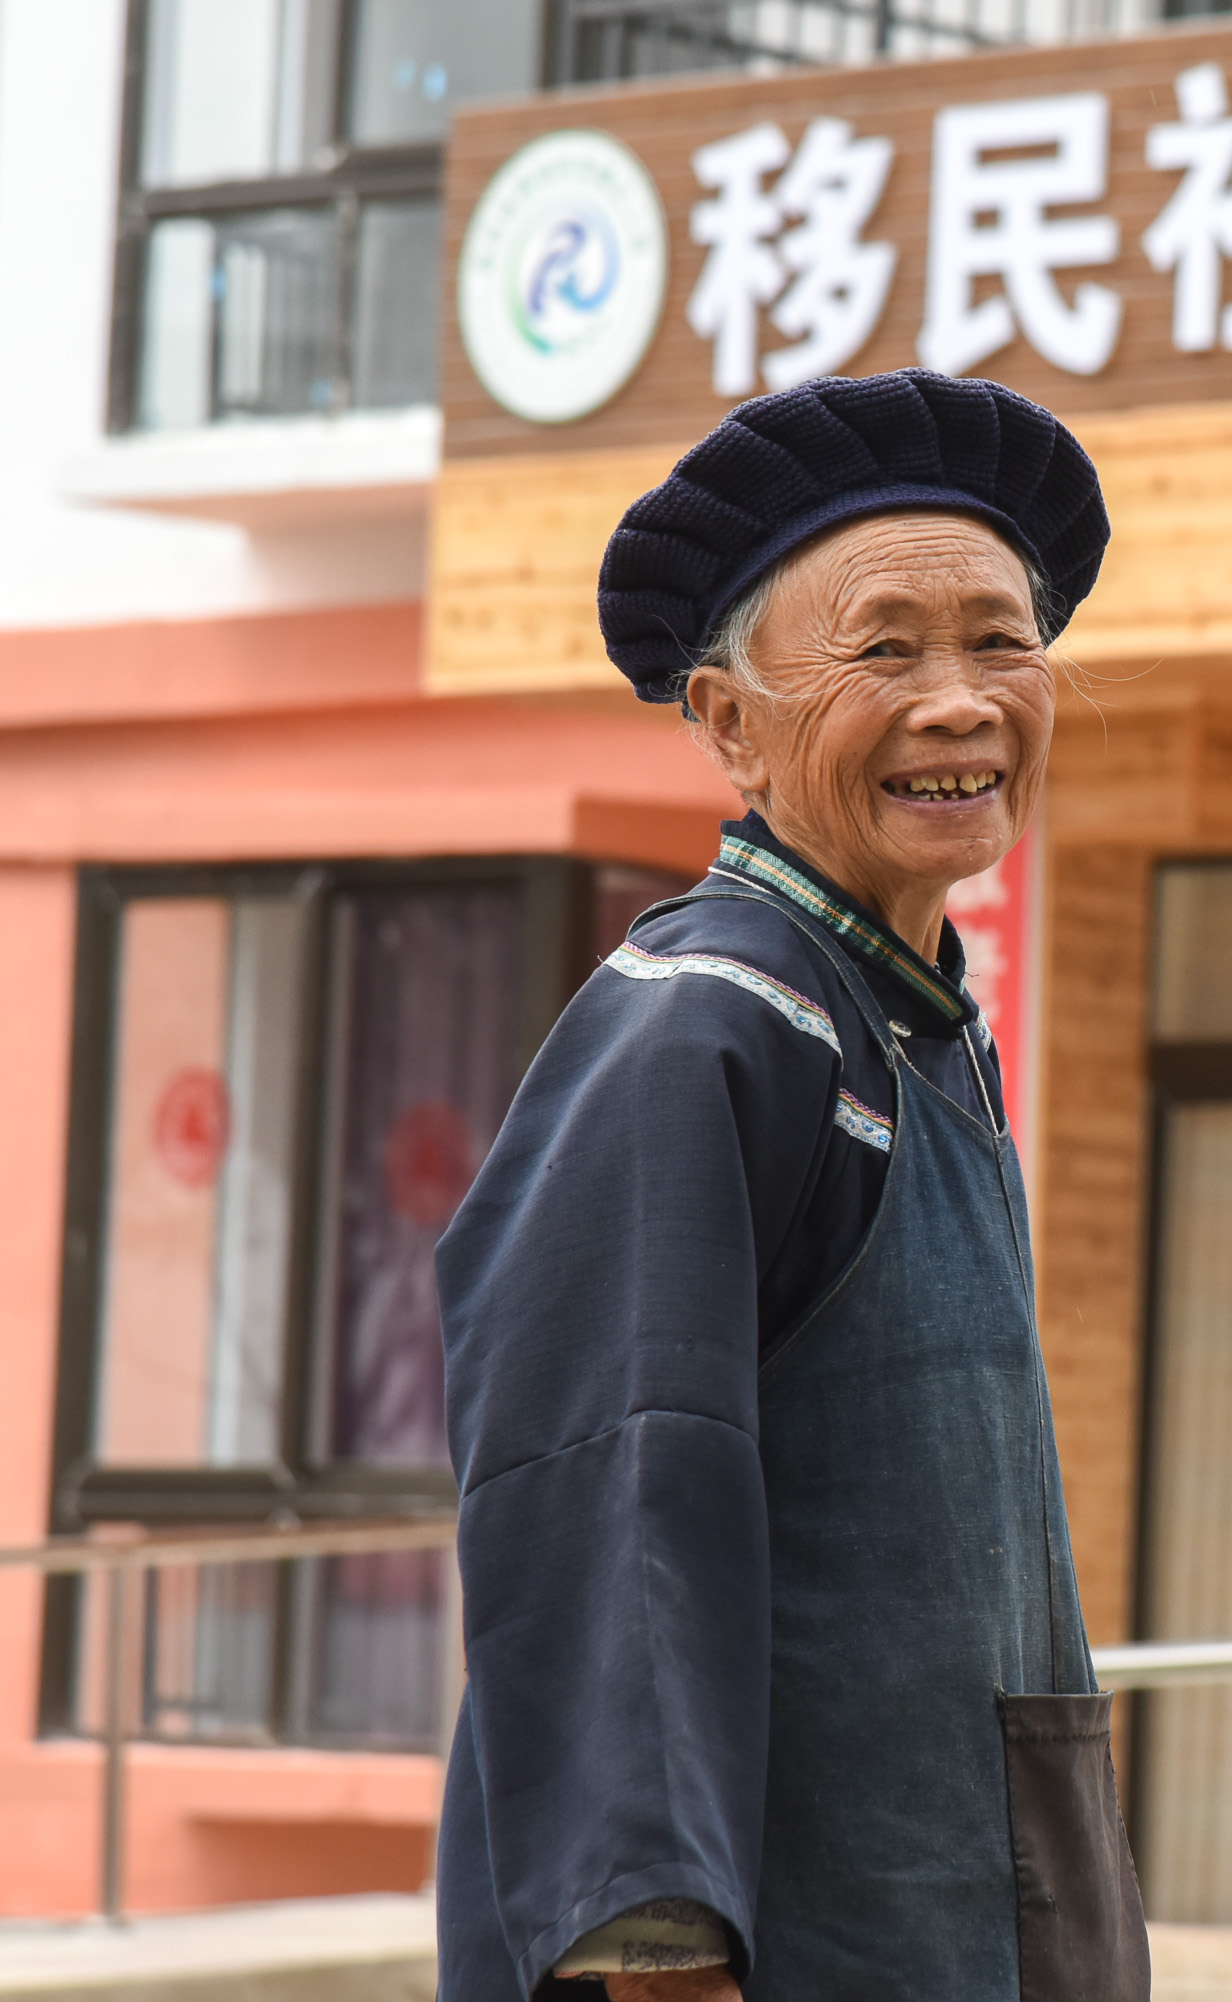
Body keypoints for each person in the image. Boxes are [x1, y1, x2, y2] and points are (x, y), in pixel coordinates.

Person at [431, 369, 1145, 2002]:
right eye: (885, 650)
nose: (960, 701)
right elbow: (609, 1488)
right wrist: (662, 1952)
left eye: (1000, 640)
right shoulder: (704, 1025)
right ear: (728, 723)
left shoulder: (912, 1025)